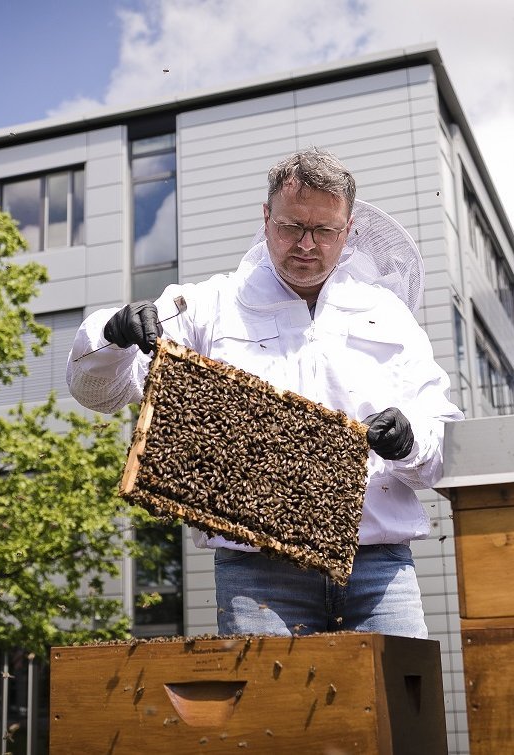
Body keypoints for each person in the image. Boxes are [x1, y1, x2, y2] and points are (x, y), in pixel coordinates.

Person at [66, 147, 463, 639]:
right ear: (266, 217)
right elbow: (98, 392)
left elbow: (444, 440)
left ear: (349, 229)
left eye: (324, 230)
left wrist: (411, 444)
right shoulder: (207, 306)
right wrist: (112, 333)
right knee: (274, 715)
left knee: (398, 709)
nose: (306, 244)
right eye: (291, 226)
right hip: (257, 573)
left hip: (379, 567)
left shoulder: (389, 316)